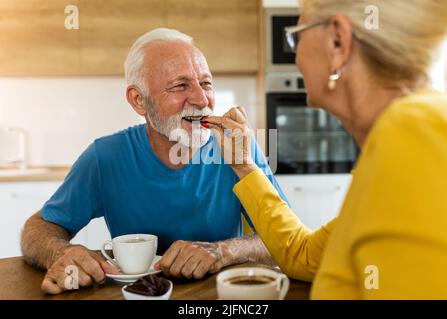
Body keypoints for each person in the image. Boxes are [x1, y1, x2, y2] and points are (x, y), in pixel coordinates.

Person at [206, 0, 447, 299]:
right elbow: (303, 254)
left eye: (298, 36)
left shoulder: (411, 131)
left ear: (337, 41)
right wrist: (244, 164)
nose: (296, 57)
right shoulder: (399, 136)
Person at [20, 28, 287, 294]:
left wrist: (223, 252)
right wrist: (61, 253)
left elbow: (283, 238)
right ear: (139, 100)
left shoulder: (237, 149)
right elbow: (38, 228)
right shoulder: (106, 157)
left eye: (205, 83)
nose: (201, 99)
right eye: (181, 85)